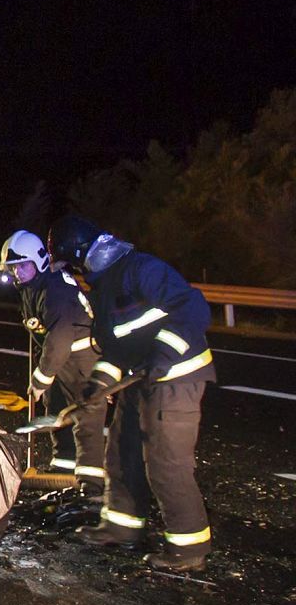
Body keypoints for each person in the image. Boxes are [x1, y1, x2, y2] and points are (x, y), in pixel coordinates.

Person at [48, 216, 216, 573]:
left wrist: (165, 354)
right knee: (121, 451)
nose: (73, 275)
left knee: (166, 463)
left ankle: (189, 548)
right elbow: (116, 351)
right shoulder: (104, 288)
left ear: (82, 256)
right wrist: (97, 384)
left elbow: (194, 308)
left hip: (177, 376)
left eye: (72, 266)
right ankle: (122, 526)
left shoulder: (141, 269)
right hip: (141, 377)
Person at [0, 230, 106, 494]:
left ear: (38, 261)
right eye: (13, 268)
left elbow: (60, 337)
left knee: (86, 417)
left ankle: (91, 485)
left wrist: (40, 378)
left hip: (82, 360)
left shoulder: (56, 289)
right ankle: (64, 466)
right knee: (57, 410)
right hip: (61, 359)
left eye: (23, 266)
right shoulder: (32, 286)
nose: (17, 273)